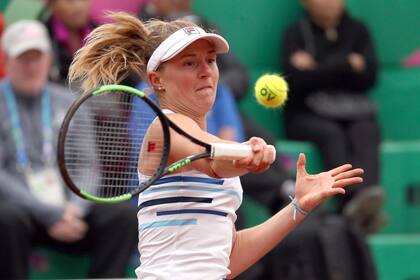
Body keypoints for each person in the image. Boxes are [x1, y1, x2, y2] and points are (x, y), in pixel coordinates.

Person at [68, 13, 364, 279]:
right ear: (157, 80)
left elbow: (226, 256)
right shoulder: (166, 126)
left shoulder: (203, 139)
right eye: (189, 63)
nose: (206, 70)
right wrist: (247, 152)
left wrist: (298, 207)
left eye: (210, 60)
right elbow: (212, 160)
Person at [0, 20, 138, 279]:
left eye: (36, 57)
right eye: (22, 58)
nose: (31, 66)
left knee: (124, 218)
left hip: (69, 212)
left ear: (49, 58)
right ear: (6, 62)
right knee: (5, 219)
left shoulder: (69, 102)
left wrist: (74, 208)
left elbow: (88, 164)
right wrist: (49, 213)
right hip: (22, 214)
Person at [281, 0, 384, 233]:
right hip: (306, 114)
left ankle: (367, 198)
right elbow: (297, 81)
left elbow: (369, 77)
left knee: (366, 129)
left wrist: (318, 68)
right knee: (330, 133)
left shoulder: (358, 29)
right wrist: (347, 65)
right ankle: (352, 203)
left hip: (353, 111)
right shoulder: (296, 34)